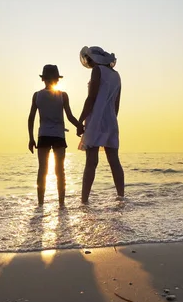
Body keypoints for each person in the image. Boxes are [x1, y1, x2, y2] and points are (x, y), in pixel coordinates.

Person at [28, 64, 81, 206]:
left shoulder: (37, 95)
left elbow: (31, 118)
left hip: (43, 135)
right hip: (58, 136)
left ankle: (40, 204)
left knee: (42, 169)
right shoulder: (62, 96)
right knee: (60, 170)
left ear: (43, 79)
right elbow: (69, 116)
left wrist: (31, 138)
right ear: (57, 79)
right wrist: (80, 126)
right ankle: (61, 204)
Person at [77, 46, 124, 204]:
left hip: (96, 119)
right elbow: (116, 104)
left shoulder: (97, 71)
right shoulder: (116, 75)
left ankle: (84, 201)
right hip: (111, 120)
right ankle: (121, 197)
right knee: (114, 160)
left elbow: (91, 98)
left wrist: (80, 120)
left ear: (93, 59)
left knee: (91, 161)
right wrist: (111, 120)